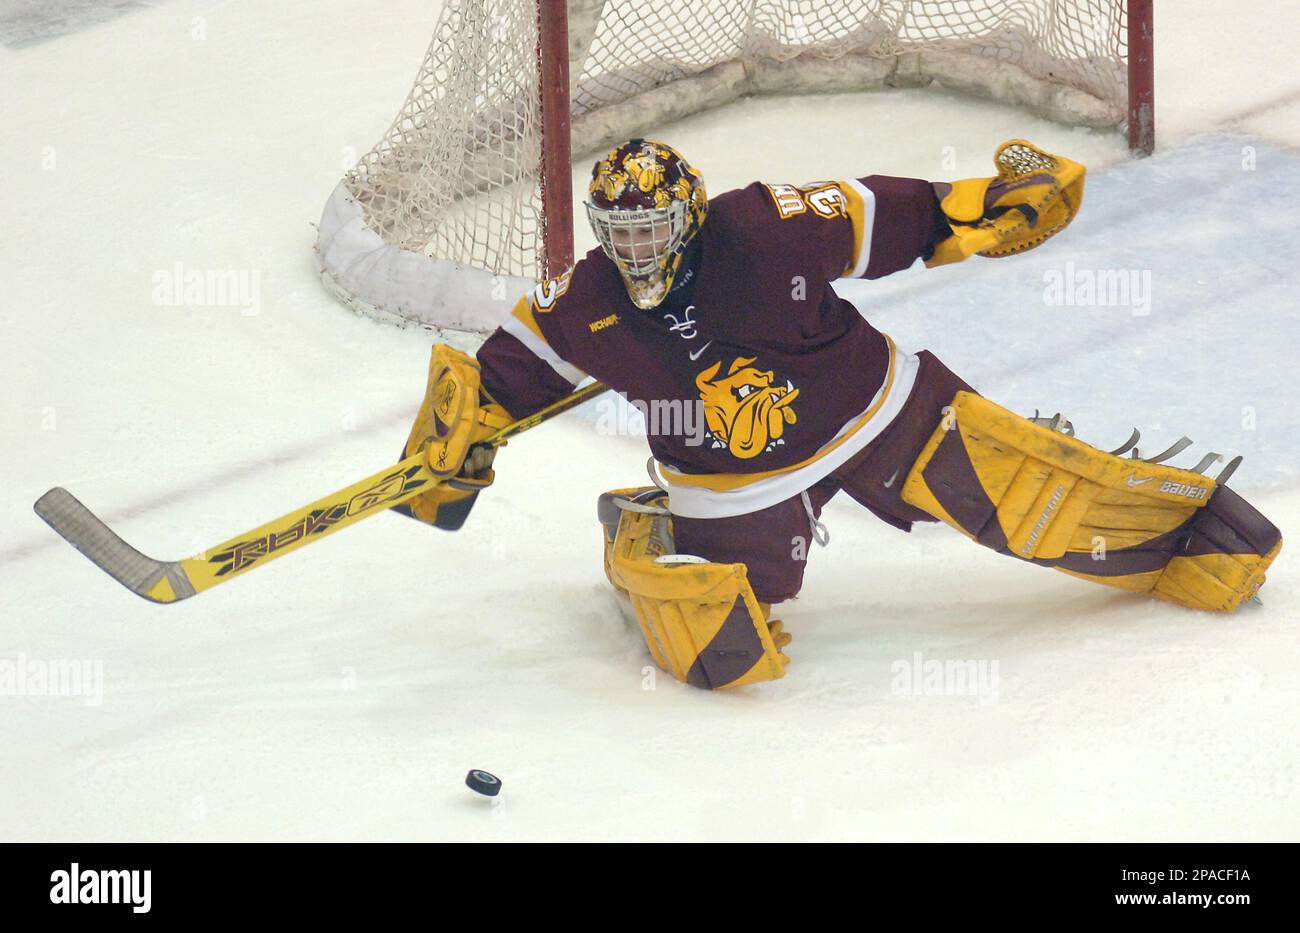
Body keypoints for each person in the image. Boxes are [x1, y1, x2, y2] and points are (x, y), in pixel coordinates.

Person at [396, 138, 1282, 690]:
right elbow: (501, 378)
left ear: (691, 215)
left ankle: (1204, 542)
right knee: (720, 653)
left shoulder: (764, 224)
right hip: (732, 483)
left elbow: (890, 215)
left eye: (652, 230)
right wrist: (460, 436)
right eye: (617, 234)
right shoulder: (578, 299)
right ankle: (647, 530)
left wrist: (980, 207)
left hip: (875, 409)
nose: (634, 252)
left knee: (1040, 504)